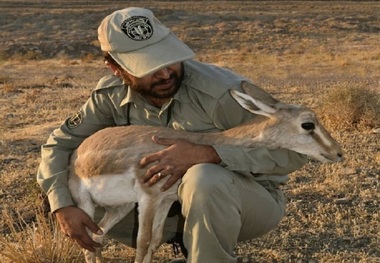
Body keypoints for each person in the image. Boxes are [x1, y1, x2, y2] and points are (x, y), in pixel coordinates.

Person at [37, 7, 307, 263]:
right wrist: (61, 205)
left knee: (203, 177)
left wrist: (211, 154)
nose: (166, 73)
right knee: (66, 185)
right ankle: (184, 235)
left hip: (247, 201)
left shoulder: (221, 92)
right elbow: (58, 146)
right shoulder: (110, 95)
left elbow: (292, 151)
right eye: (149, 66)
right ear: (115, 68)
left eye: (168, 59)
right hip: (160, 204)